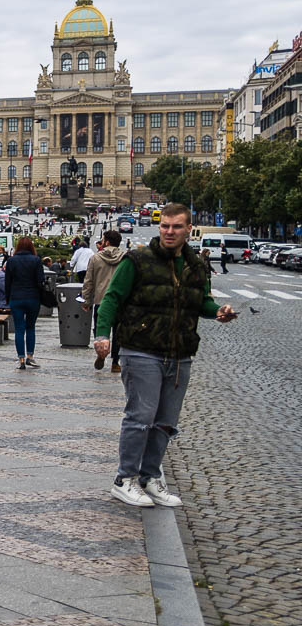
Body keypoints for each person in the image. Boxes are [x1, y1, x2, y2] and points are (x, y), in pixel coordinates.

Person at [93, 203, 236, 508]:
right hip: (141, 349)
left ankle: (149, 477)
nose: (169, 232)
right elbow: (112, 298)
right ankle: (125, 479)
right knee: (140, 417)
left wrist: (218, 312)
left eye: (176, 227)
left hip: (180, 351)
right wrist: (102, 334)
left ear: (188, 229)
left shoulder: (197, 265)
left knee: (166, 422)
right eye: (165, 226)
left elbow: (203, 302)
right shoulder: (138, 260)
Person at [83, 229, 127, 372]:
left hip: (101, 300)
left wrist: (86, 301)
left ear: (106, 242)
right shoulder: (126, 257)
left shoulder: (96, 258)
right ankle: (115, 361)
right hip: (120, 302)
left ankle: (101, 354)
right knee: (118, 333)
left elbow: (88, 282)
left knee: (100, 330)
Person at [3, 235, 47, 368]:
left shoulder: (11, 261)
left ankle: (21, 359)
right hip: (33, 297)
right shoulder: (36, 260)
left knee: (19, 329)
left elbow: (7, 282)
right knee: (31, 327)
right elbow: (41, 281)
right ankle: (30, 356)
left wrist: (8, 299)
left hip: (16, 298)